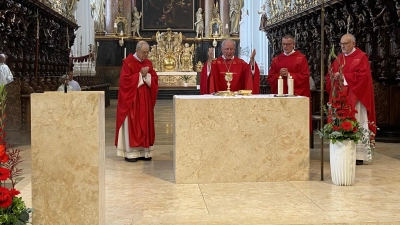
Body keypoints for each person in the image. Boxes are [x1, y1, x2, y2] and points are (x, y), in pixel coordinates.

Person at [326, 33, 376, 165]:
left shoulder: (361, 57)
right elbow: (329, 75)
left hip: (356, 98)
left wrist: (344, 77)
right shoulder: (338, 58)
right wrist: (333, 77)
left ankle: (358, 155)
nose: (343, 46)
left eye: (346, 43)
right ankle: (341, 150)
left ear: (353, 43)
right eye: (341, 44)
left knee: (358, 121)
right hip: (340, 99)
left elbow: (363, 77)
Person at [115, 41, 159, 162]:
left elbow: (154, 79)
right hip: (132, 101)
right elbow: (125, 82)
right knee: (133, 125)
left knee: (145, 123)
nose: (146, 55)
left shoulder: (148, 63)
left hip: (145, 101)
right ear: (137, 50)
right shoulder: (128, 63)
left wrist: (147, 76)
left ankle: (145, 153)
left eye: (147, 52)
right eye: (144, 52)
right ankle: (131, 153)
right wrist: (140, 75)